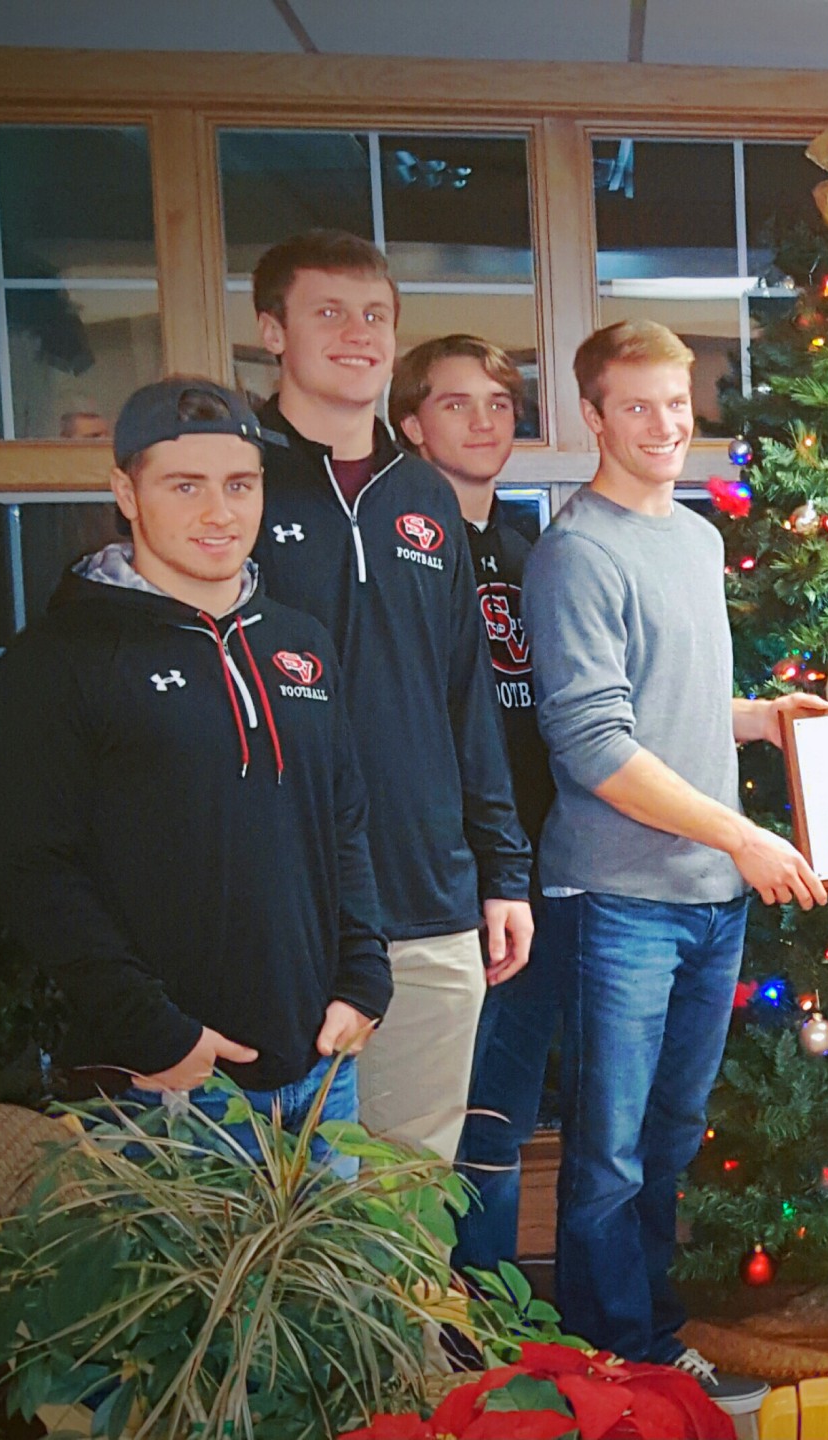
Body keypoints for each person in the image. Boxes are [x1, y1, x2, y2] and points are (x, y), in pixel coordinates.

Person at [530, 320, 824, 1408]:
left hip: (709, 897)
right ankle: (613, 1362)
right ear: (592, 417)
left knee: (669, 1137)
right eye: (636, 406)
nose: (664, 425)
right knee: (607, 1152)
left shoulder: (696, 538)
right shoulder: (577, 553)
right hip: (622, 899)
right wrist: (741, 835)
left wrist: (760, 718)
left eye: (676, 401)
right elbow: (597, 747)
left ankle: (646, 1332)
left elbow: (670, 701)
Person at [0, 377, 387, 1160]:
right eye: (185, 486)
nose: (219, 513)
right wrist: (157, 1035)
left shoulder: (299, 642)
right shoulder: (59, 660)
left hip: (320, 1072)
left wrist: (363, 980)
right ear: (125, 493)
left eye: (240, 485)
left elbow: (342, 820)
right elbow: (33, 868)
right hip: (165, 1088)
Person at [248, 229, 533, 1164]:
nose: (357, 333)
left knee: (409, 1196)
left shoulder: (426, 495)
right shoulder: (238, 483)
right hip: (289, 911)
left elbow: (467, 698)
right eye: (328, 312)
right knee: (283, 1205)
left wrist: (503, 873)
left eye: (374, 314)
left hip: (430, 901)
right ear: (272, 331)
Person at [391, 334, 559, 1272]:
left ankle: (489, 1323)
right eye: (456, 404)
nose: (484, 421)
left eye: (499, 403)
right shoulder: (402, 553)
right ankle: (430, 1322)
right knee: (434, 1126)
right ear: (411, 424)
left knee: (501, 1117)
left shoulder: (525, 551)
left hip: (534, 868)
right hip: (446, 880)